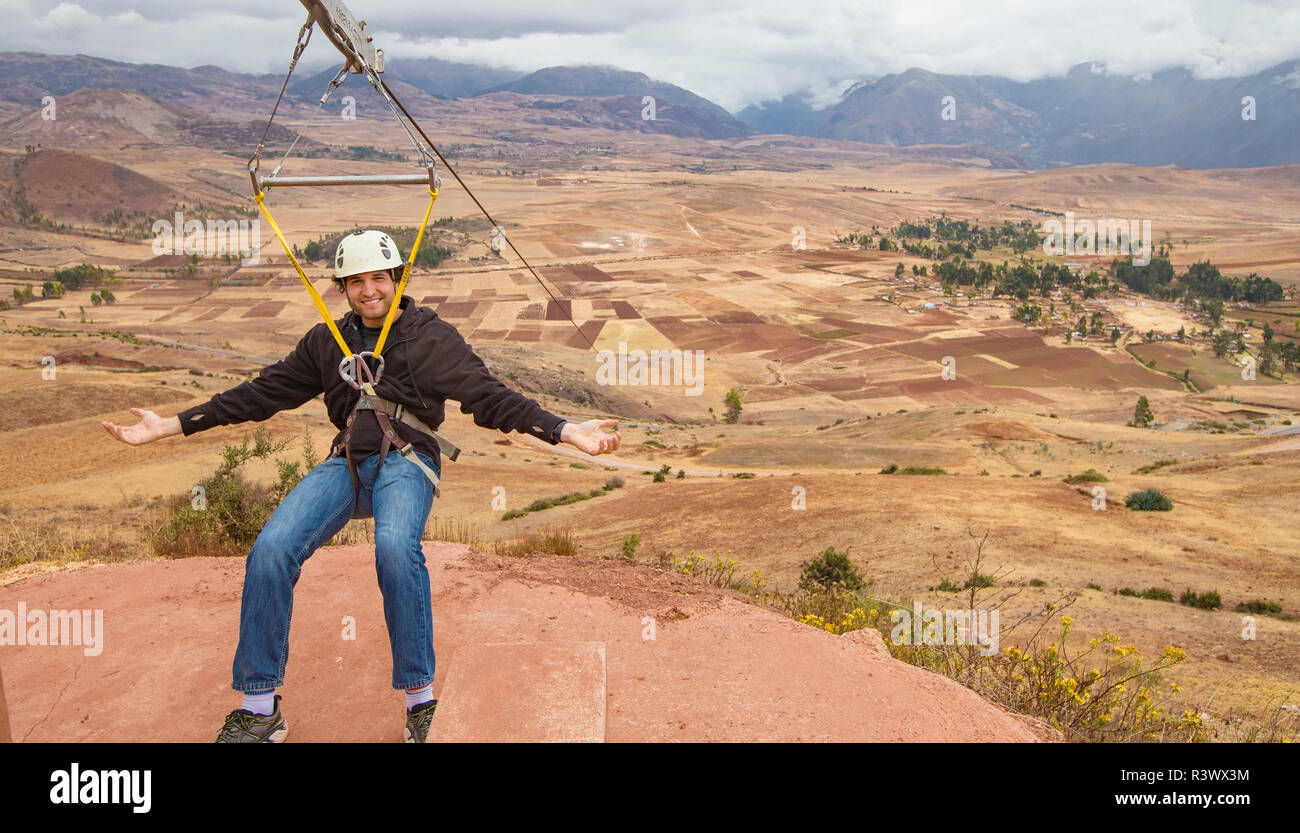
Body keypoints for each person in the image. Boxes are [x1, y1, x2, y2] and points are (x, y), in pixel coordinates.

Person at [102, 229, 621, 742]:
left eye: (379, 278)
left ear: (397, 277)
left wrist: (566, 431)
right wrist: (171, 424)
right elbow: (261, 395)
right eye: (356, 282)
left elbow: (491, 397)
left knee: (395, 548)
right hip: (347, 463)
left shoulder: (430, 338)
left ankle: (420, 702)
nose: (369, 290)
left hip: (407, 461)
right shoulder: (328, 339)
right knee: (271, 549)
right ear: (344, 288)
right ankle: (259, 709)